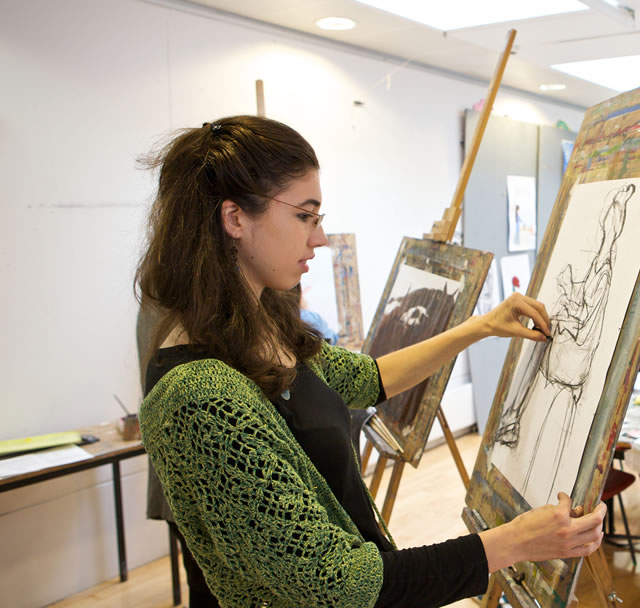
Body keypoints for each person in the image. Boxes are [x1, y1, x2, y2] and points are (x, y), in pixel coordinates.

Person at [135, 116, 605, 608]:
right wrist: (511, 543)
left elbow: (369, 378)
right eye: (305, 216)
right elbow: (338, 585)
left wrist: (481, 326)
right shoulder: (198, 397)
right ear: (234, 219)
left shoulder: (263, 323)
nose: (319, 238)